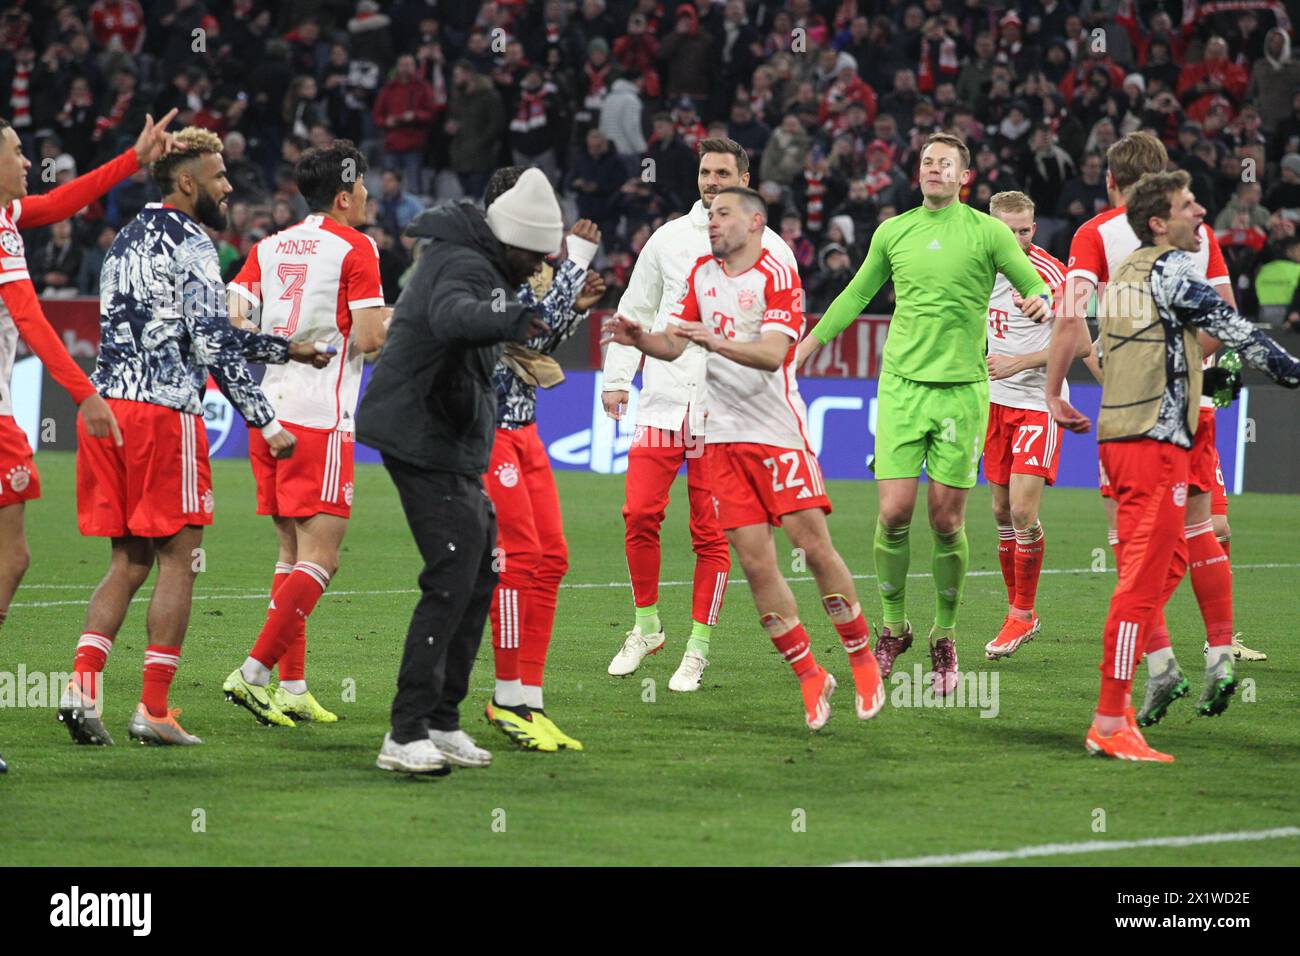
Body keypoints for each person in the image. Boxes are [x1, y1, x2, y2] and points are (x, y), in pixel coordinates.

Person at [58, 127, 330, 748]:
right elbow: (210, 344)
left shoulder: (124, 238)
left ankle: (80, 687)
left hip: (108, 412)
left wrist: (286, 347)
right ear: (188, 183)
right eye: (218, 176)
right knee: (180, 558)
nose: (228, 187)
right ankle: (153, 709)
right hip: (162, 417)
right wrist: (265, 419)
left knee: (127, 561)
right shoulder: (195, 244)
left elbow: (195, 332)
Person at [605, 186, 885, 729]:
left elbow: (773, 354)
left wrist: (710, 340)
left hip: (777, 433)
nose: (712, 222)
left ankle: (861, 658)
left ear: (755, 222)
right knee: (757, 564)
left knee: (813, 546)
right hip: (722, 438)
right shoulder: (700, 278)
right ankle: (810, 674)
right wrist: (641, 339)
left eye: (723, 214)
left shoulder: (778, 272)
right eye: (708, 214)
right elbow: (674, 343)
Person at [1045, 170, 1300, 762]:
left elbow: (1145, 353)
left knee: (1155, 571)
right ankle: (1111, 720)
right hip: (1153, 444)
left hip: (1128, 438)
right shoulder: (1171, 275)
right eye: (1189, 205)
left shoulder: (1128, 275)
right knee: (1141, 585)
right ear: (1159, 222)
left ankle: (1132, 701)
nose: (1202, 211)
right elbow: (1240, 332)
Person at [796, 133, 1049, 695]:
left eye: (945, 163)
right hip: (902, 389)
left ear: (965, 177)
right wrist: (806, 347)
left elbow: (1035, 287)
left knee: (946, 521)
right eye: (926, 162)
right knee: (892, 513)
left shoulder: (987, 233)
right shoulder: (894, 230)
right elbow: (856, 295)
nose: (933, 169)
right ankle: (894, 628)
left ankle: (945, 634)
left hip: (961, 392)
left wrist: (1039, 299)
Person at [356, 168, 555, 775]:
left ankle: (442, 721)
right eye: (537, 255)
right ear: (515, 242)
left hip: (447, 439)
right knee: (452, 575)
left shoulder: (476, 261)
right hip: (421, 437)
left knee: (478, 574)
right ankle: (406, 731)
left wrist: (511, 316)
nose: (538, 267)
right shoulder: (465, 268)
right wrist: (510, 319)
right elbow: (454, 317)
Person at [0, 111, 174, 770]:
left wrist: (131, 158)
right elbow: (30, 318)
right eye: (17, 152)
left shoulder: (12, 214)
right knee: (9, 563)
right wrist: (86, 394)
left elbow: (56, 200)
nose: (27, 163)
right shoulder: (1, 229)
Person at [602, 137, 797, 693]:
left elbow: (780, 334)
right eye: (706, 173)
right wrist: (618, 379)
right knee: (638, 513)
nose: (712, 182)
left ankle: (698, 646)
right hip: (663, 400)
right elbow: (636, 310)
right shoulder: (667, 239)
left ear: (744, 176)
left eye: (722, 173)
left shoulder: (773, 248)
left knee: (710, 534)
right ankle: (645, 627)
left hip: (724, 413)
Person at [220, 140, 389, 729]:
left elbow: (232, 316)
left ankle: (290, 687)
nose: (369, 196)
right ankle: (254, 672)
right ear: (344, 196)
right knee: (324, 558)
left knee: (291, 554)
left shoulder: (269, 246)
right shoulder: (357, 247)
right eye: (364, 187)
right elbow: (369, 339)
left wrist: (273, 342)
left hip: (268, 416)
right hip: (320, 419)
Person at [482, 168, 605, 754]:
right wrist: (576, 260)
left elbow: (533, 344)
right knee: (518, 558)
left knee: (551, 557)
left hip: (525, 430)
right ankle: (507, 695)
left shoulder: (519, 271)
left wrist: (573, 305)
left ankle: (529, 696)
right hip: (488, 434)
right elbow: (529, 325)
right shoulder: (480, 268)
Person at [981, 190, 1091, 659]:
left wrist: (1019, 362)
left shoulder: (1048, 275)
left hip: (1037, 403)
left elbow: (1082, 342)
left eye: (1025, 230)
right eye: (1008, 231)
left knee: (1024, 513)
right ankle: (1018, 612)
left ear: (1034, 229)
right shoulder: (977, 270)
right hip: (993, 404)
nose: (1019, 239)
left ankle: (1021, 615)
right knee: (1002, 514)